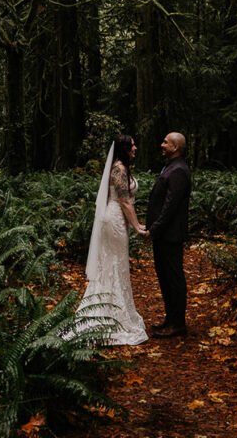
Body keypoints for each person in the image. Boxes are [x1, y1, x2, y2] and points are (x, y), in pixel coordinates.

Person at [73, 135, 149, 345]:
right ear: (125, 149)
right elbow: (124, 200)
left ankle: (115, 309)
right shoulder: (119, 169)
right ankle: (109, 314)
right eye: (132, 145)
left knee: (115, 264)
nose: (135, 148)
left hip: (117, 218)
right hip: (114, 218)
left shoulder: (121, 168)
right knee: (113, 264)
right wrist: (137, 226)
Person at [145, 131, 191, 338]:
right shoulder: (171, 167)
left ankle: (177, 323)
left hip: (170, 234)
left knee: (173, 277)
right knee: (164, 277)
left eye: (166, 142)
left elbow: (170, 206)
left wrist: (154, 229)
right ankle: (170, 320)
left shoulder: (179, 170)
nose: (161, 145)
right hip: (163, 235)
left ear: (175, 148)